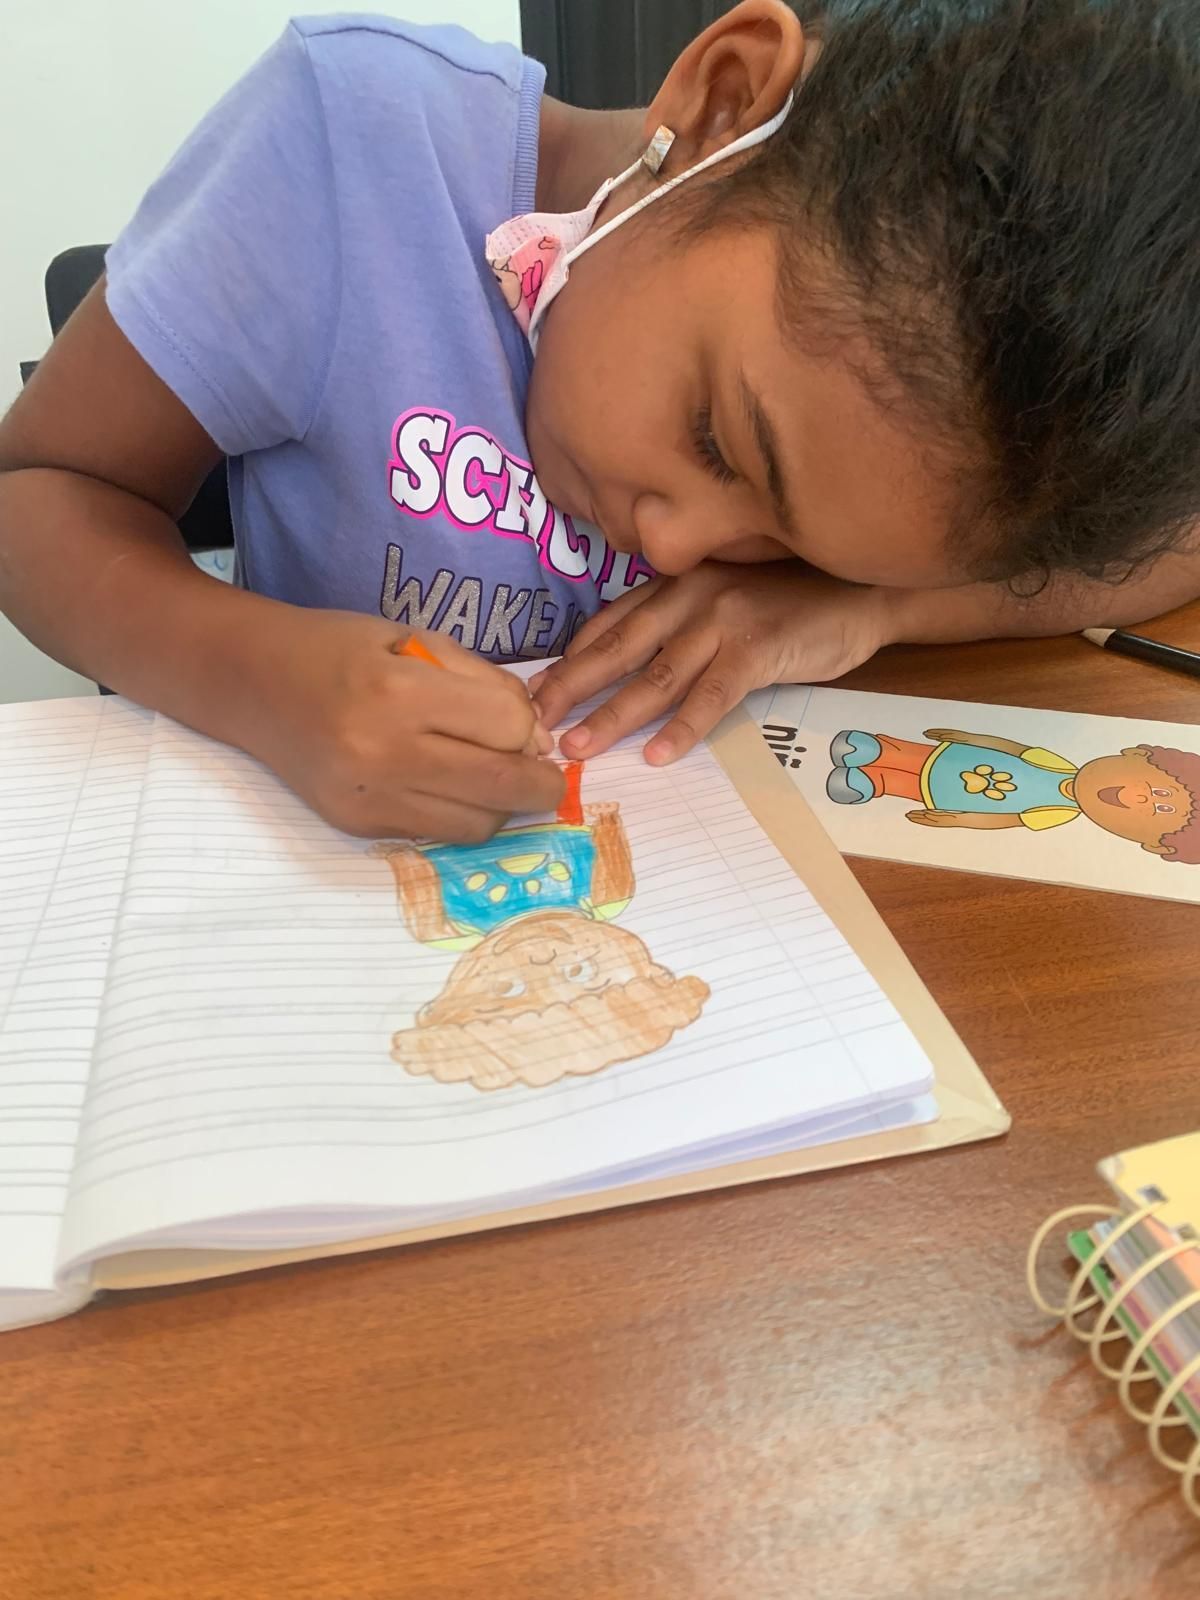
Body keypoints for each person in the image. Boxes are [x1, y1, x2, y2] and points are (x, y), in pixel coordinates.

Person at [3, 1, 1200, 845]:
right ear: (722, 102)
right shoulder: (350, 147)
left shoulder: (848, 523)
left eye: (796, 547)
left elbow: (1173, 545)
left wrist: (864, 605)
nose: (683, 550)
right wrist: (256, 677)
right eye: (721, 441)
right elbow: (35, 492)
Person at [826, 729, 1200, 862]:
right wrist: (972, 738)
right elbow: (1013, 747)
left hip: (952, 795)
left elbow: (1008, 820)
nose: (1143, 799)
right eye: (1158, 790)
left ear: (1150, 844)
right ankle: (878, 750)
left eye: (1161, 809)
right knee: (917, 755)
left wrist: (961, 819)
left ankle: (874, 783)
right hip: (961, 757)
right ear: (1137, 755)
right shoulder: (1056, 762)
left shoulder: (1059, 813)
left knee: (913, 787)